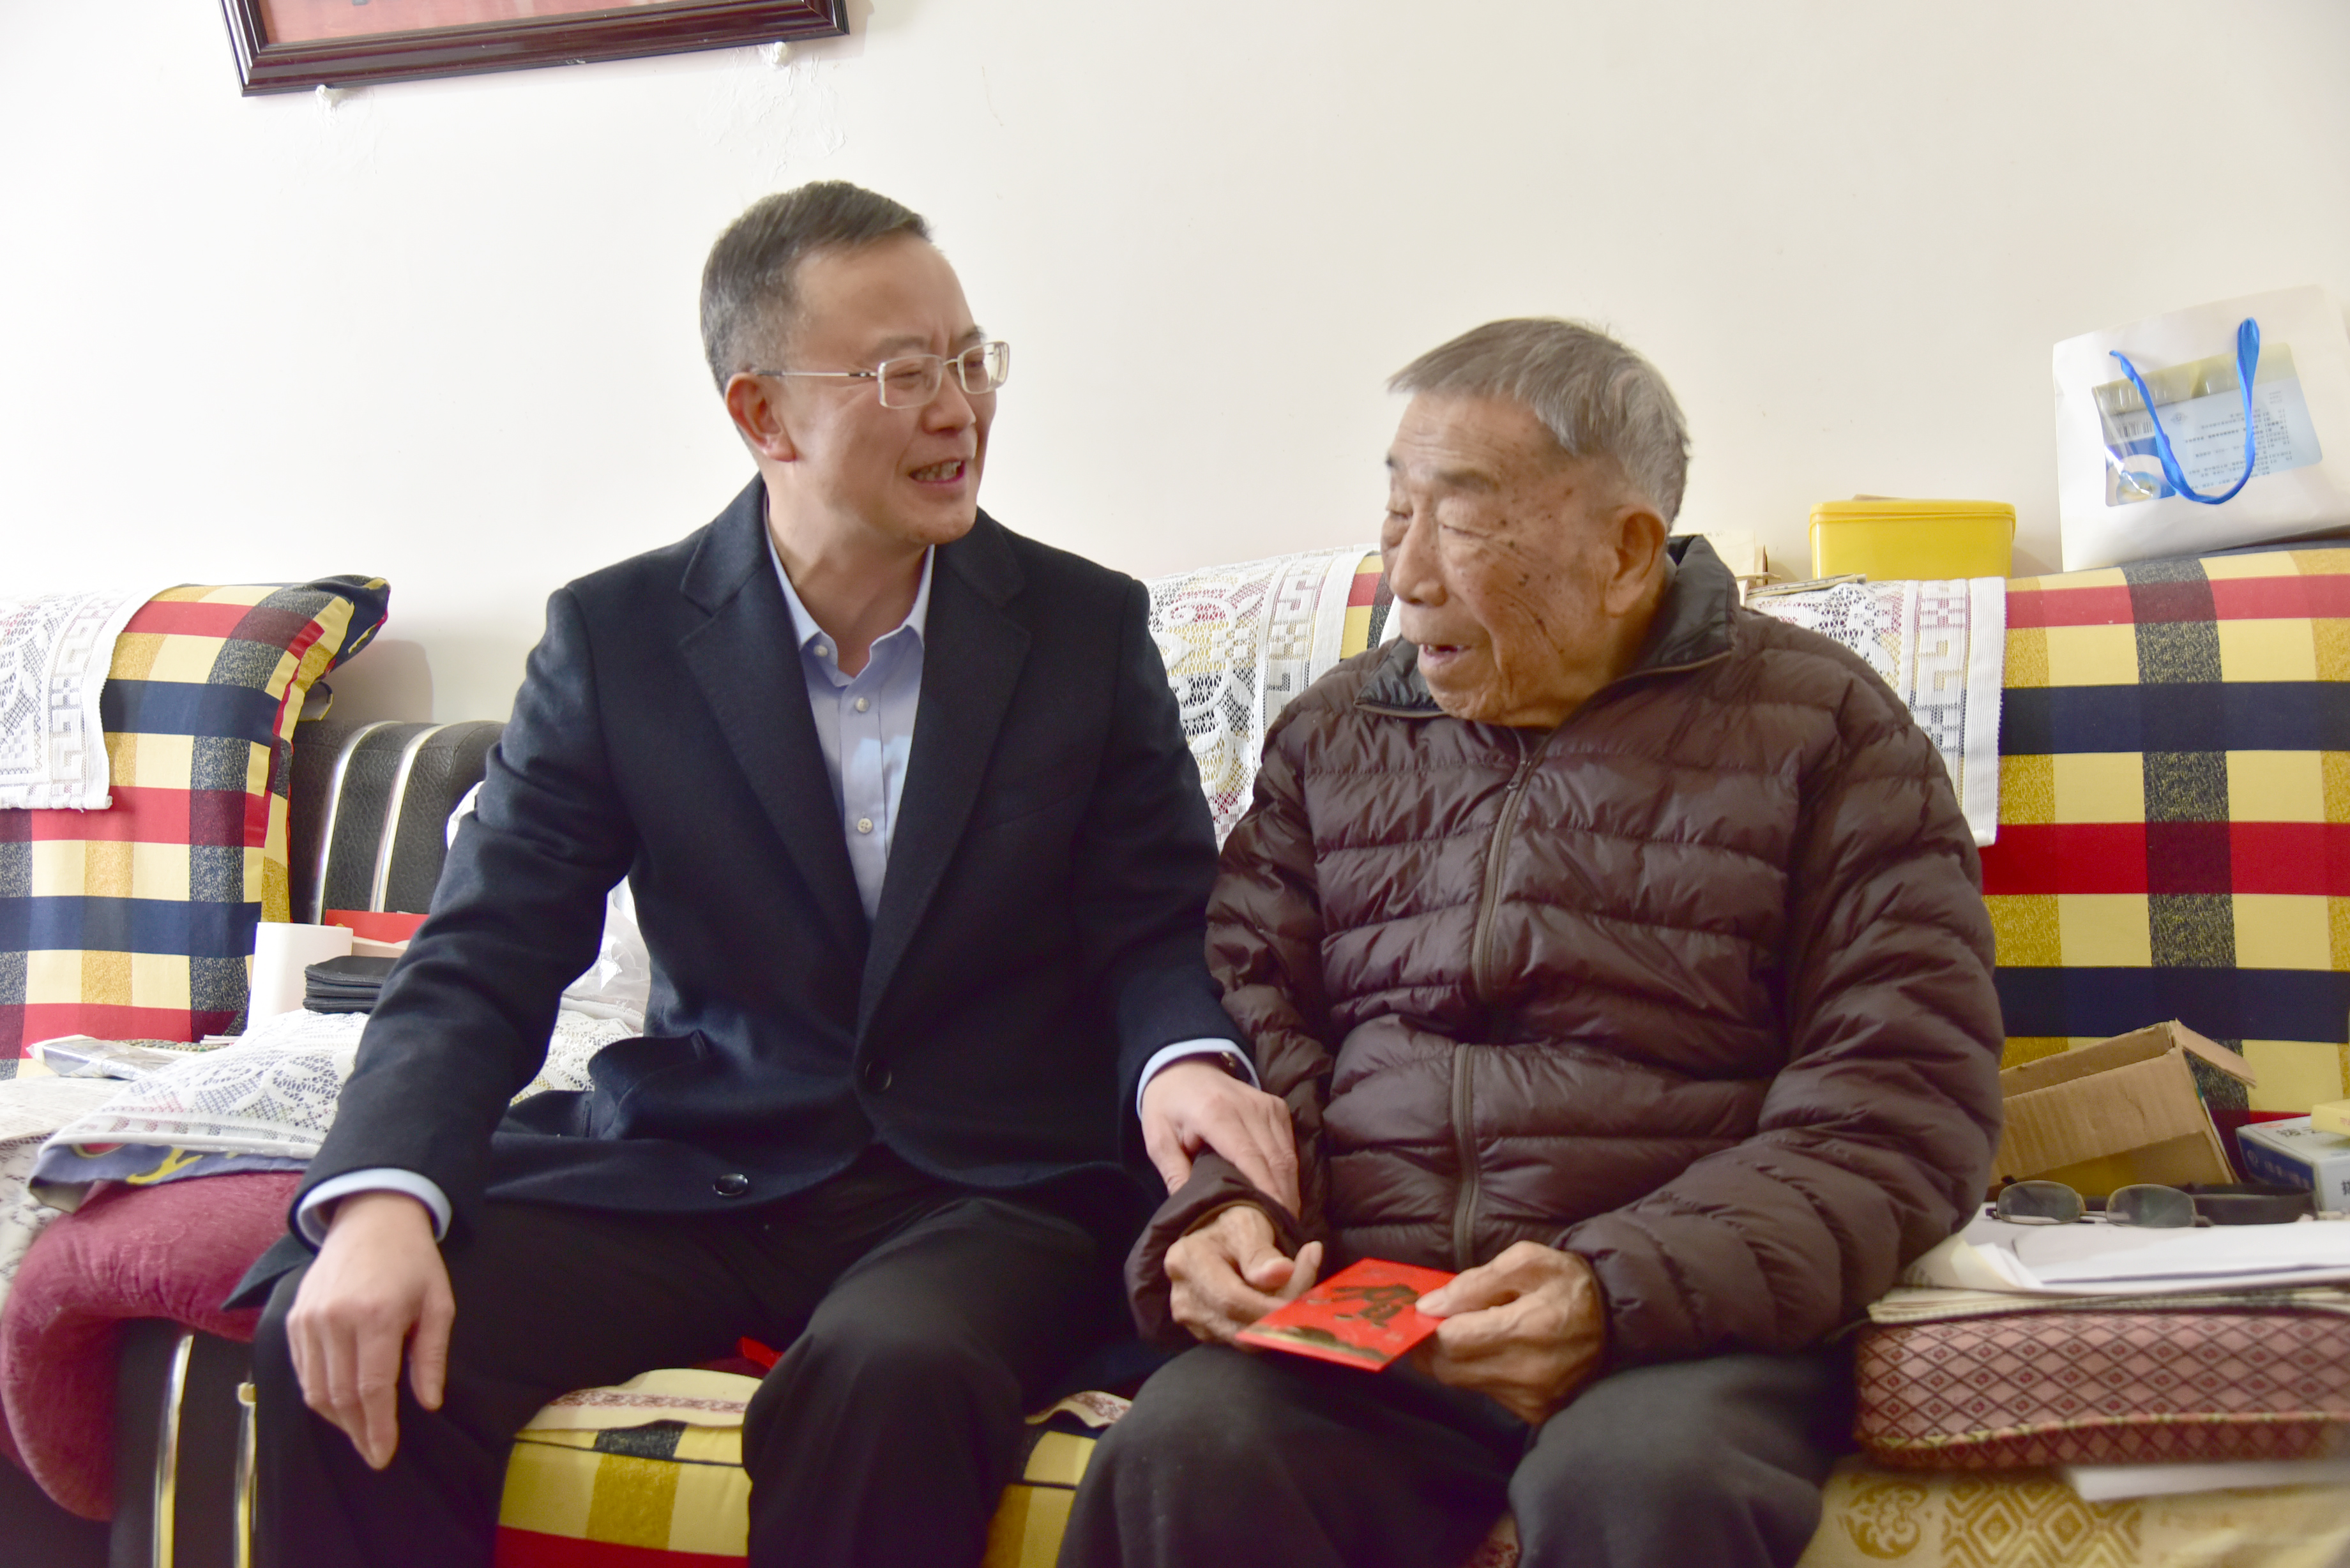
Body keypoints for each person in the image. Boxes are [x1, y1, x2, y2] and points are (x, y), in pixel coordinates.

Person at [238, 181, 1297, 1568]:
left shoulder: (1080, 630)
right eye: (902, 374)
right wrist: (383, 1197)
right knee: (337, 1321)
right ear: (762, 414)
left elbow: (1154, 926)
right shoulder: (617, 640)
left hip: (987, 1187)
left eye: (970, 361)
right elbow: (485, 953)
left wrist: (1181, 1063)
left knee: (890, 1371)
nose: (958, 411)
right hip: (708, 1168)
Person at [1059, 319, 2006, 1568]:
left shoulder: (1826, 732)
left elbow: (1898, 1105)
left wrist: (1613, 1289)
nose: (1405, 574)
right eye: (1395, 513)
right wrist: (1223, 1210)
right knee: (1187, 1449)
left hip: (1677, 1330)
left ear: (1625, 552)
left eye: (1457, 520)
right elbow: (1248, 1020)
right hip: (1373, 1319)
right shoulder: (1334, 739)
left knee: (1640, 1485)